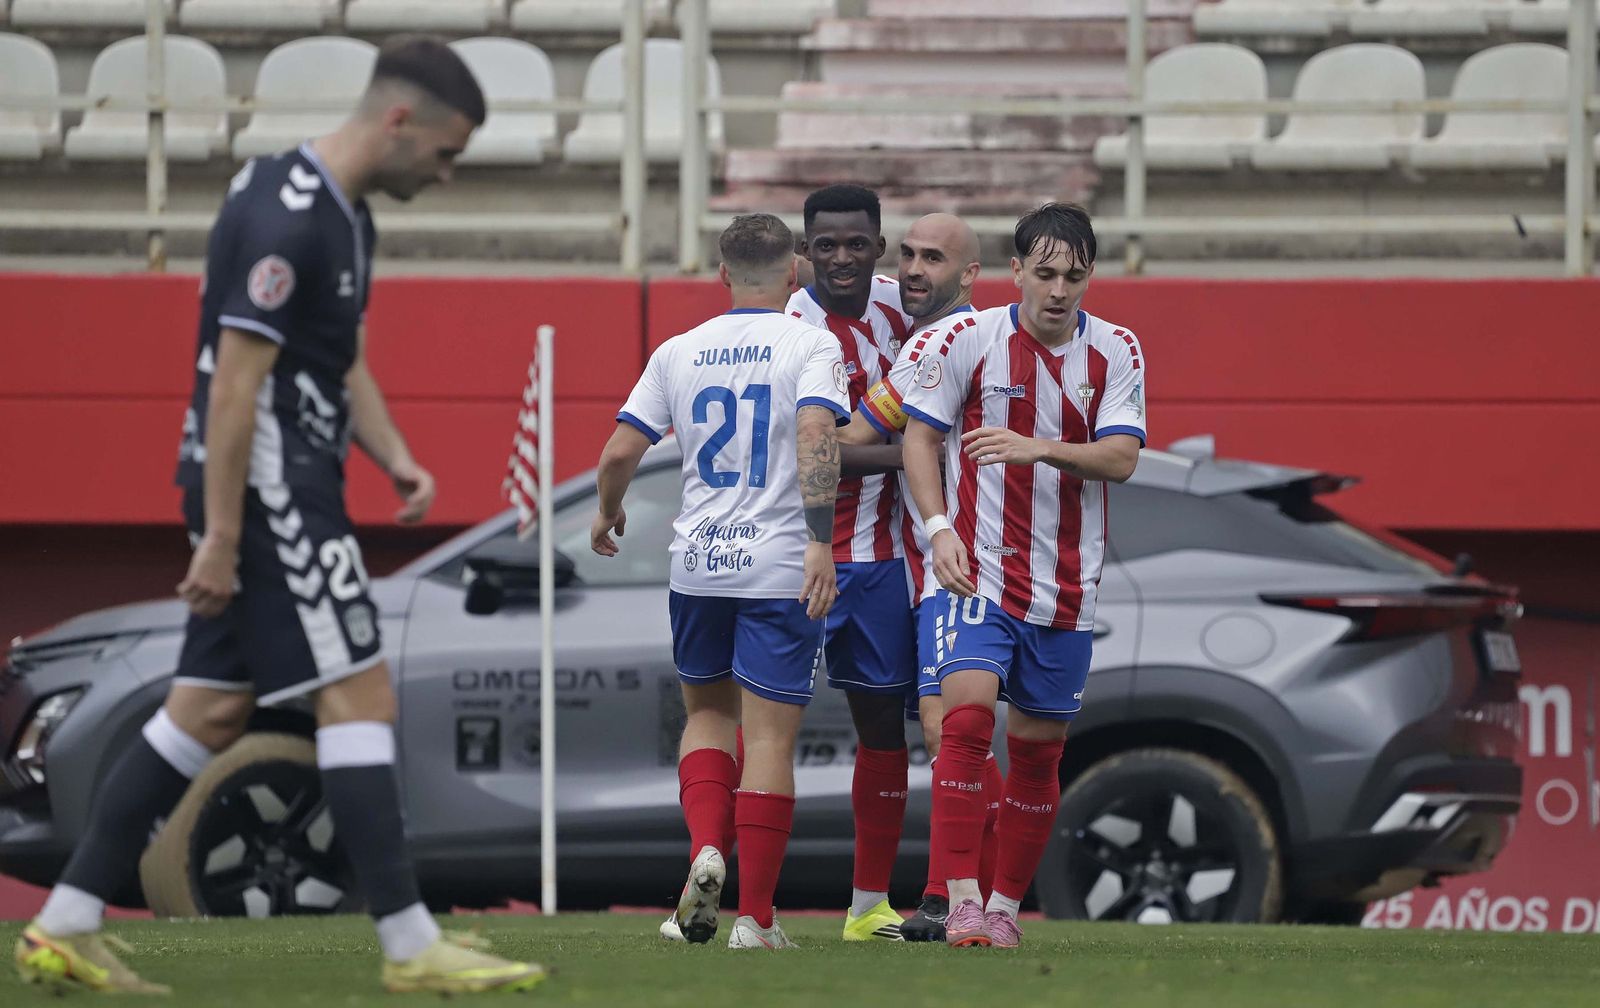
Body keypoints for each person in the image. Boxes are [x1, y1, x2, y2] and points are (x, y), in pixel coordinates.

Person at [13, 37, 545, 996]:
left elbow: (336, 359)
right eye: (447, 150)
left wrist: (392, 456)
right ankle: (410, 944)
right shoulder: (284, 216)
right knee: (360, 696)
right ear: (399, 121)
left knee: (208, 707)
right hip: (266, 492)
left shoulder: (344, 216)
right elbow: (234, 389)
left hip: (284, 482)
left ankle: (64, 921)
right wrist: (220, 535)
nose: (448, 171)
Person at [591, 212, 847, 950]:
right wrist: (821, 542)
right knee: (767, 740)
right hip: (775, 565)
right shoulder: (811, 343)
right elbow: (816, 437)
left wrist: (608, 516)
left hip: (697, 564)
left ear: (723, 274)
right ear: (794, 272)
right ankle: (756, 920)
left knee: (706, 716)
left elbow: (617, 453)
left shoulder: (678, 350)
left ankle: (707, 848)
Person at [900, 203, 1147, 949]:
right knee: (967, 722)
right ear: (1015, 272)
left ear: (1089, 276)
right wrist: (939, 530)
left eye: (1073, 275)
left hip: (1066, 584)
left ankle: (1007, 908)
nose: (1058, 290)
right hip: (975, 570)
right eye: (1043, 273)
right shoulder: (966, 339)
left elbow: (1123, 459)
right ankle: (963, 901)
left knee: (1039, 752)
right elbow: (919, 439)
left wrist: (1038, 448)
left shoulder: (1117, 351)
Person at [835, 212, 1004, 941]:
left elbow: (854, 439)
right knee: (970, 734)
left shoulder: (939, 341)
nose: (911, 269)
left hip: (961, 565)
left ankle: (957, 898)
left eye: (932, 257)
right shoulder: (995, 336)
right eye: (906, 254)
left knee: (952, 732)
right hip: (993, 562)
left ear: (970, 274)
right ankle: (964, 902)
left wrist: (797, 435)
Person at [785, 185, 919, 943]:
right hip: (790, 552)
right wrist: (915, 455)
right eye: (825, 244)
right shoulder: (789, 326)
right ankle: (726, 894)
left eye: (856, 243)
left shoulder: (908, 311)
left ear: (877, 245)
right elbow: (813, 453)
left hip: (877, 560)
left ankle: (869, 906)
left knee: (883, 732)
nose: (841, 257)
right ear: (806, 250)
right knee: (760, 727)